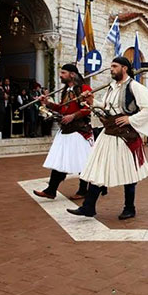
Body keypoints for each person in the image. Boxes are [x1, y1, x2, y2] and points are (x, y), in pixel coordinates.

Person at [66, 57, 148, 220]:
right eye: (111, 66)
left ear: (125, 68)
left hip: (125, 136)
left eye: (115, 66)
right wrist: (92, 101)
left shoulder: (135, 87)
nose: (111, 69)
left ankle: (129, 208)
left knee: (128, 172)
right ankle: (88, 207)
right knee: (98, 168)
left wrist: (131, 119)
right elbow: (106, 107)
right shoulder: (111, 87)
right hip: (109, 133)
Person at [33, 64, 94, 201]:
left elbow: (89, 108)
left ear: (72, 74)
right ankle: (51, 190)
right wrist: (47, 103)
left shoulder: (84, 89)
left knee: (83, 161)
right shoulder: (66, 90)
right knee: (60, 160)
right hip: (66, 130)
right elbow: (61, 109)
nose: (61, 75)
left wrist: (73, 116)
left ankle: (83, 190)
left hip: (79, 130)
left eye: (63, 73)